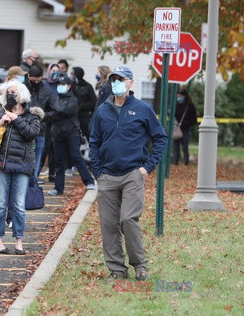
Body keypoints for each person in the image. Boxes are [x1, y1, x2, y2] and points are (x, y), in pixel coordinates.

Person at [89, 66, 168, 281]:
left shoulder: (142, 109)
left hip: (133, 174)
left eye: (121, 79)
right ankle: (117, 269)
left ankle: (140, 265)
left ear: (130, 83)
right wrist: (97, 171)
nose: (116, 83)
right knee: (108, 224)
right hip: (107, 176)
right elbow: (94, 142)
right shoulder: (102, 110)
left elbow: (160, 138)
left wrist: (147, 167)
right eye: (113, 80)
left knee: (128, 219)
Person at [0, 80, 40, 255]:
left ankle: (19, 240)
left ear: (23, 95)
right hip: (0, 164)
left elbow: (31, 134)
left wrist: (15, 119)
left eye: (15, 92)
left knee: (19, 205)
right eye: (9, 92)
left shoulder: (31, 114)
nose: (12, 95)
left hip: (22, 164)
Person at [45, 75, 95, 196]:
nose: (60, 86)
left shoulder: (73, 99)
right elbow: (52, 113)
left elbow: (65, 111)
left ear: (69, 86)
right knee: (59, 161)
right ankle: (58, 188)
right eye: (59, 84)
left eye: (63, 84)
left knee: (76, 157)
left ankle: (89, 181)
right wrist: (53, 113)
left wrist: (54, 112)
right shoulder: (55, 98)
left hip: (72, 132)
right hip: (57, 133)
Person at [26, 65, 55, 182]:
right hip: (24, 130)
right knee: (24, 163)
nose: (35, 83)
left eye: (38, 81)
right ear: (28, 76)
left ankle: (33, 185)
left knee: (36, 163)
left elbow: (54, 111)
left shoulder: (47, 90)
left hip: (39, 131)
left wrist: (43, 115)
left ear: (41, 78)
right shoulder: (22, 88)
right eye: (33, 81)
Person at [70, 67, 96, 141]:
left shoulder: (87, 86)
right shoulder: (71, 85)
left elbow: (93, 102)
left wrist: (82, 106)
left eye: (73, 74)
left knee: (88, 136)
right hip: (72, 116)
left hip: (84, 116)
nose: (71, 75)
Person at [172, 89, 197, 166]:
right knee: (175, 147)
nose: (179, 97)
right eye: (178, 96)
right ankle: (176, 162)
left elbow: (194, 119)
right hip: (177, 129)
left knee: (184, 147)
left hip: (186, 129)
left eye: (180, 96)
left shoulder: (190, 106)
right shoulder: (175, 105)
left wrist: (186, 124)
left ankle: (186, 162)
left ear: (184, 96)